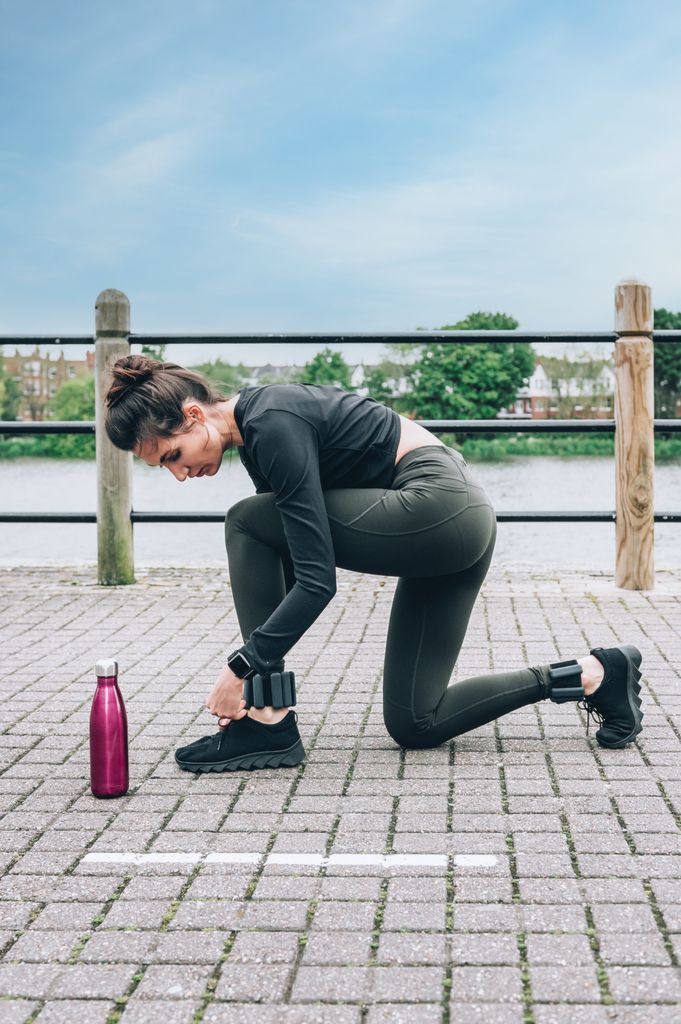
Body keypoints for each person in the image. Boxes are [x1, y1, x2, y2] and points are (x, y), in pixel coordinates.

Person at [104, 355, 644, 774]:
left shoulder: (271, 422)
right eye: (162, 468)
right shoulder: (259, 437)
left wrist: (242, 669)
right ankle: (596, 674)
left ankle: (267, 724)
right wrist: (258, 673)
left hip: (439, 507)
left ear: (194, 415)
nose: (179, 475)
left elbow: (317, 581)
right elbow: (286, 563)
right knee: (416, 722)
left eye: (172, 455)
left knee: (245, 520)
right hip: (452, 528)